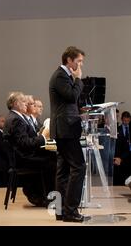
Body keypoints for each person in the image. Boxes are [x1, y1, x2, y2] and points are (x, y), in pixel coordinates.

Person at [49, 46, 87, 222]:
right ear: (69, 60)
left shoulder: (63, 76)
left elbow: (68, 102)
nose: (80, 65)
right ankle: (70, 212)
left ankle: (60, 211)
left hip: (65, 128)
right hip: (65, 129)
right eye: (78, 61)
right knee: (79, 167)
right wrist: (78, 79)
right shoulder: (60, 76)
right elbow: (71, 96)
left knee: (63, 171)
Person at [3, 92, 55, 207]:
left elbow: (24, 142)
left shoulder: (14, 117)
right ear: (16, 103)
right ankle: (48, 198)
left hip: (22, 156)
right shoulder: (16, 119)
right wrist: (43, 136)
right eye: (23, 101)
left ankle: (42, 195)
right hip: (22, 159)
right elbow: (25, 143)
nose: (26, 103)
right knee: (52, 161)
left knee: (52, 156)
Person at [114, 111, 131, 185]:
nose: (126, 122)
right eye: (124, 120)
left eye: (127, 121)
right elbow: (116, 145)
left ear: (130, 119)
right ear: (121, 119)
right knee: (120, 178)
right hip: (120, 157)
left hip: (130, 157)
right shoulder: (117, 129)